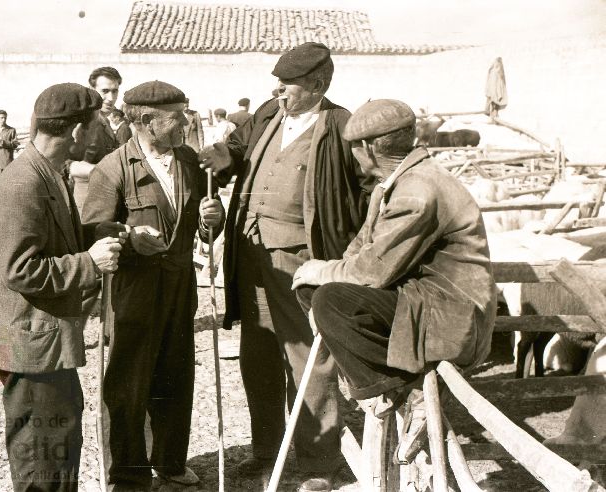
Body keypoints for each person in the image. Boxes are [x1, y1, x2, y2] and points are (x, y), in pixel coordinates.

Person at [199, 42, 368, 491]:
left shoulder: (344, 127)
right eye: (276, 82)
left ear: (317, 84)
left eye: (287, 84)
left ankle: (319, 464)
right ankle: (266, 452)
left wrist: (349, 258)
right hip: (251, 257)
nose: (277, 90)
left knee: (310, 360)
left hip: (304, 262)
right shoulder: (266, 117)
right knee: (257, 356)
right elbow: (235, 152)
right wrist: (224, 157)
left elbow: (369, 191)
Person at [292, 99, 497, 424]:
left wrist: (320, 270)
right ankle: (383, 386)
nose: (353, 155)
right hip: (423, 301)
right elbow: (357, 252)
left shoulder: (417, 191)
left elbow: (370, 272)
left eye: (353, 148)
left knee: (331, 299)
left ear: (368, 148)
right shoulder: (394, 184)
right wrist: (319, 274)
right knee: (313, 290)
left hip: (453, 317)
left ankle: (404, 391)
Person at [0, 82, 127, 491]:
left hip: (42, 341)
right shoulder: (24, 183)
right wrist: (89, 262)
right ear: (76, 132)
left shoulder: (48, 172)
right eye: (95, 129)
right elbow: (21, 269)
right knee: (43, 457)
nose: (100, 137)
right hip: (30, 344)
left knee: (58, 443)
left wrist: (105, 231)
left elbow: (52, 238)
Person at [82, 80, 225, 491]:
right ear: (146, 120)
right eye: (177, 115)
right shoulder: (113, 168)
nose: (186, 121)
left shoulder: (190, 161)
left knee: (176, 375)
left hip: (180, 285)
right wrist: (128, 237)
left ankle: (171, 463)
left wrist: (210, 221)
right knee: (129, 382)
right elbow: (93, 233)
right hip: (133, 291)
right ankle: (127, 474)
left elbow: (202, 229)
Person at [68, 66, 124, 213]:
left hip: (103, 197)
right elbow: (66, 163)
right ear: (91, 90)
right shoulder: (85, 122)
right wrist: (103, 171)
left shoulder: (103, 120)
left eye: (115, 91)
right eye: (105, 91)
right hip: (86, 200)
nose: (111, 98)